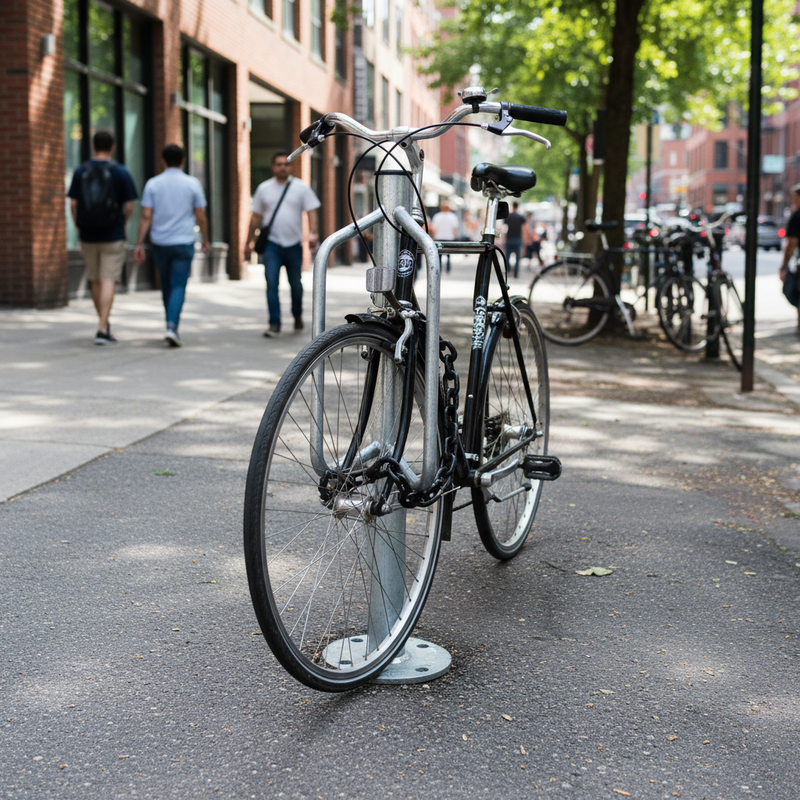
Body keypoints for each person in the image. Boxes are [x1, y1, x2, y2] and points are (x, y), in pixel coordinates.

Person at [133, 144, 209, 347]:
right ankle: (172, 325)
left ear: (163, 160)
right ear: (183, 161)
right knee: (178, 285)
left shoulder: (153, 184)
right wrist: (206, 239)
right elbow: (200, 216)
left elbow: (146, 215)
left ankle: (170, 324)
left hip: (160, 243)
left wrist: (138, 243)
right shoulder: (192, 184)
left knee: (166, 284)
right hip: (183, 242)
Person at [67, 130, 138, 345]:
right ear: (113, 147)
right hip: (112, 234)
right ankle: (102, 327)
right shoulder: (121, 172)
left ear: (93, 146)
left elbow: (73, 203)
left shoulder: (81, 171)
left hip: (88, 234)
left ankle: (103, 324)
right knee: (109, 279)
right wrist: (123, 224)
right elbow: (129, 205)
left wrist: (79, 226)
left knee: (95, 279)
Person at [244, 152, 320, 337]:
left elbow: (311, 211)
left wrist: (313, 233)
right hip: (272, 245)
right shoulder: (264, 189)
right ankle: (274, 323)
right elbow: (255, 218)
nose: (282, 167)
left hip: (294, 244)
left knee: (296, 284)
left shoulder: (300, 187)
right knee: (271, 284)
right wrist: (248, 242)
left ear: (291, 167)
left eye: (285, 164)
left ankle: (297, 316)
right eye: (278, 164)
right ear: (273, 167)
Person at [780, 184, 800, 334]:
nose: (793, 200)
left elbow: (792, 243)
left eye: (795, 197)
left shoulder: (797, 216)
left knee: (796, 292)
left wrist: (784, 266)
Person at [430, 200, 460, 273]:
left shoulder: (437, 216)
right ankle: (448, 268)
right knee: (448, 254)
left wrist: (433, 236)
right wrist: (456, 236)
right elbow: (455, 228)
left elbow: (434, 228)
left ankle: (439, 268)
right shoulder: (452, 216)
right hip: (449, 238)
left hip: (439, 237)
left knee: (439, 254)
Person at [503, 201, 526, 278]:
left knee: (507, 257)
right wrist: (525, 238)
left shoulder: (508, 217)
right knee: (517, 258)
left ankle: (508, 271)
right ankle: (516, 273)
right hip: (518, 239)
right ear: (517, 206)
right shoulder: (521, 217)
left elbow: (503, 228)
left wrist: (502, 239)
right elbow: (525, 228)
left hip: (509, 239)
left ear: (512, 206)